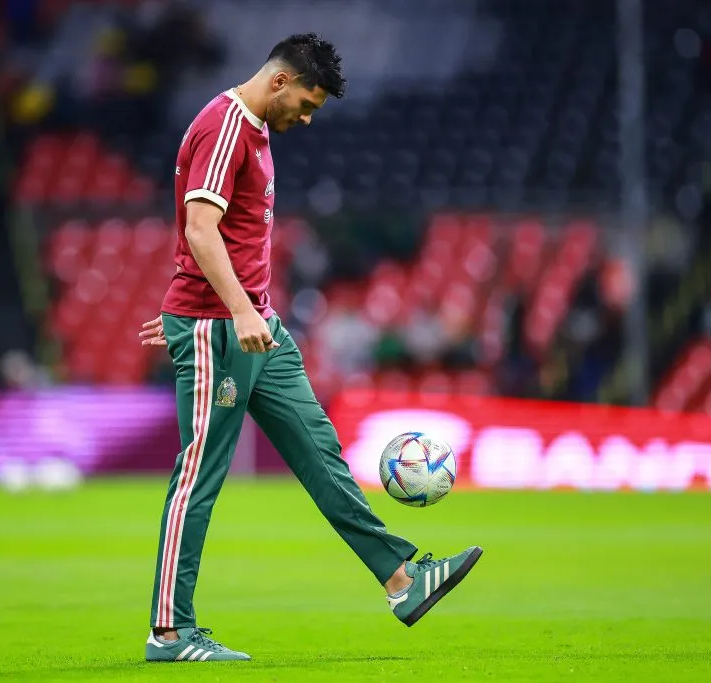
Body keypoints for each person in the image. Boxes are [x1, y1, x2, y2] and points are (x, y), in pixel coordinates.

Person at [138, 33, 481, 663]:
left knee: (321, 451)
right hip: (227, 325)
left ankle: (401, 580)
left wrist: (223, 306)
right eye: (306, 104)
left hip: (255, 324)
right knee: (199, 474)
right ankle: (169, 631)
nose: (306, 118)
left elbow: (219, 237)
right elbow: (200, 230)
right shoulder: (226, 127)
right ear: (280, 81)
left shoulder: (255, 131)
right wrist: (220, 311)